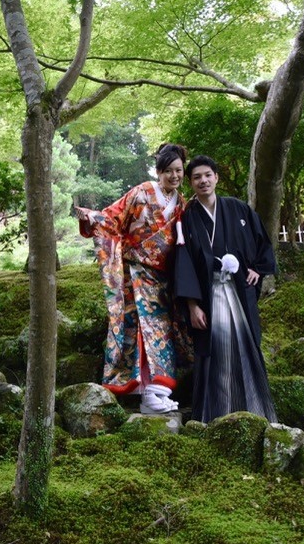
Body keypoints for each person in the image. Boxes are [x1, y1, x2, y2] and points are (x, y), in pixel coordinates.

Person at [75, 143, 190, 414]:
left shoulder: (181, 203)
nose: (174, 176)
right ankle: (145, 392)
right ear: (159, 171)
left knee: (163, 332)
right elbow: (113, 219)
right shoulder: (141, 192)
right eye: (168, 171)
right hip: (135, 274)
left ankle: (158, 391)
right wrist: (93, 217)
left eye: (179, 171)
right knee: (140, 331)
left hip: (163, 279)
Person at [174, 155, 277, 423]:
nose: (203, 181)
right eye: (196, 177)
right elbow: (183, 260)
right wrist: (192, 305)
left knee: (246, 346)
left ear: (216, 177)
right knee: (214, 353)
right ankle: (213, 416)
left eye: (208, 175)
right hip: (208, 295)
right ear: (191, 183)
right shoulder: (187, 218)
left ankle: (256, 412)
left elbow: (261, 242)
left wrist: (257, 268)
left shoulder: (238, 209)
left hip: (238, 291)